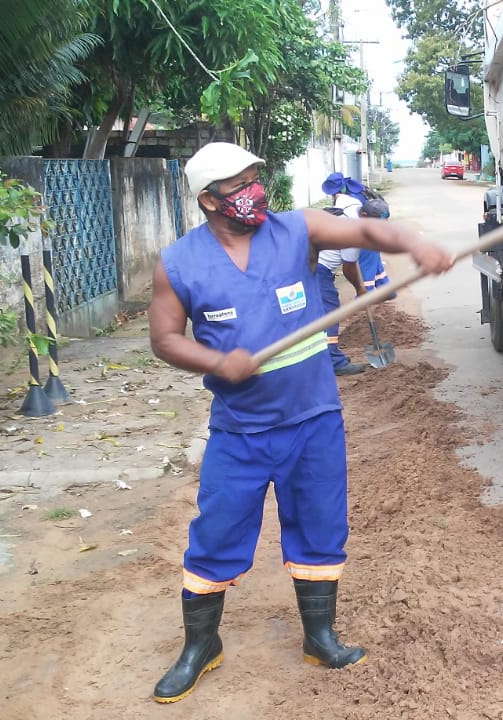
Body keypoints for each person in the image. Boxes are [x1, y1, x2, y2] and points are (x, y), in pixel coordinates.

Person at [147, 142, 454, 703]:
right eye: (239, 185)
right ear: (209, 201)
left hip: (313, 420)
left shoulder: (295, 231)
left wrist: (413, 242)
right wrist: (218, 361)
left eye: (254, 179)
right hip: (239, 429)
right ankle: (201, 646)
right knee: (216, 532)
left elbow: (365, 234)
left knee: (319, 523)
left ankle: (320, 637)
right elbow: (164, 339)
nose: (253, 192)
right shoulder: (179, 264)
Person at [316, 239, 369, 375]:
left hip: (308, 264)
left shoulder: (347, 219)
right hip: (318, 269)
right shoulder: (354, 231)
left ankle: (323, 357)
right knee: (330, 313)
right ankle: (335, 362)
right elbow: (349, 268)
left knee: (316, 314)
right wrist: (359, 288)